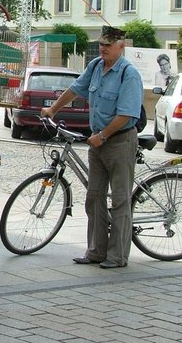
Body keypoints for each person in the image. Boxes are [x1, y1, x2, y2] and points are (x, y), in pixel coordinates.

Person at [41, 25, 143, 269]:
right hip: (97, 141)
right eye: (101, 44)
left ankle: (117, 256)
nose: (103, 49)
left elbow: (128, 114)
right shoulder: (96, 66)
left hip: (119, 141)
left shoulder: (128, 74)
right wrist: (53, 109)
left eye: (108, 45)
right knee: (94, 197)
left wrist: (104, 135)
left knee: (119, 200)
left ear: (121, 46)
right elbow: (76, 88)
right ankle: (96, 251)